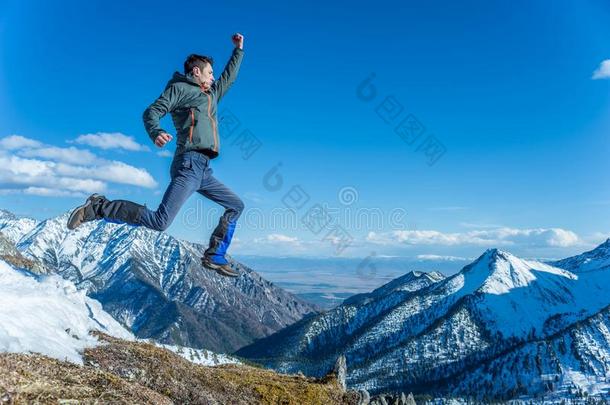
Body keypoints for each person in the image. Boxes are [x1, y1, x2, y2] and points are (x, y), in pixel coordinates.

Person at [67, 33, 246, 278]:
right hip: (189, 164)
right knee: (160, 221)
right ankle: (99, 207)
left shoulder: (211, 95)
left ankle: (215, 255)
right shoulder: (180, 89)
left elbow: (229, 77)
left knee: (236, 205)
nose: (213, 77)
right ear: (196, 72)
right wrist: (156, 132)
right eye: (209, 73)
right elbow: (151, 112)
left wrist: (238, 50)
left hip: (204, 170)